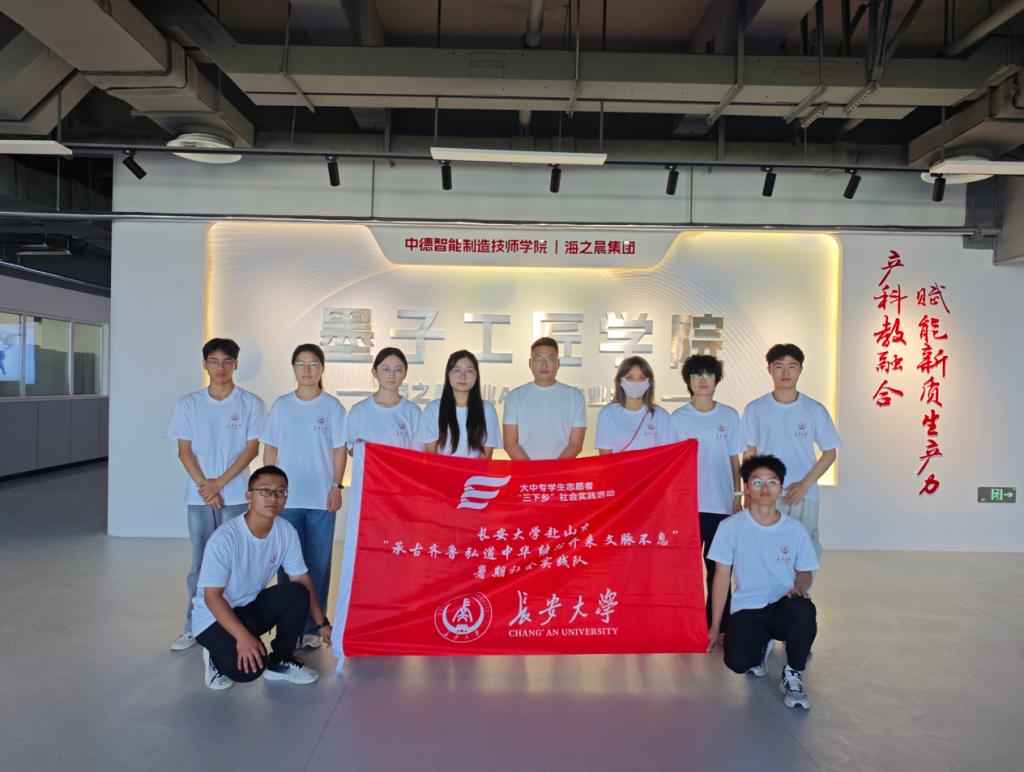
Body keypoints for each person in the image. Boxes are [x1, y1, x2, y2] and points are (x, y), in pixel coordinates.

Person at [166, 337, 266, 652]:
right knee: (201, 562)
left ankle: (235, 627)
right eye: (214, 361)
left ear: (236, 364)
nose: (220, 367)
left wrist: (218, 484)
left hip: (235, 496)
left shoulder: (250, 403)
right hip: (199, 499)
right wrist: (206, 488)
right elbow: (184, 451)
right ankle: (193, 626)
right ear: (205, 364)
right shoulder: (189, 404)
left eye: (226, 361)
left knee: (236, 562)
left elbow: (252, 449)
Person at [192, 465, 332, 690]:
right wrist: (243, 638)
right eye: (265, 491)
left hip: (248, 608)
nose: (273, 497)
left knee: (297, 592)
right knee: (248, 671)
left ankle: (280, 661)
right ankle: (214, 657)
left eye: (280, 492)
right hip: (212, 618)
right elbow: (212, 597)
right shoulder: (225, 539)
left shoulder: (285, 531)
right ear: (249, 496)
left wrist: (322, 624)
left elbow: (301, 580)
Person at [706, 454, 819, 710]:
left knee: (804, 609)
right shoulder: (730, 527)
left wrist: (800, 588)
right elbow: (721, 578)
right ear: (747, 488)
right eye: (757, 482)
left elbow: (805, 571)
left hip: (784, 605)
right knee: (737, 662)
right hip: (748, 609)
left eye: (772, 482)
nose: (765, 488)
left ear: (781, 488)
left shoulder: (795, 530)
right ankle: (760, 648)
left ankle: (793, 672)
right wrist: (715, 626)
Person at [333, 347, 423, 647]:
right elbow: (351, 450)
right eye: (386, 369)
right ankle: (369, 619)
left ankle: (396, 618)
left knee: (399, 558)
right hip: (368, 501)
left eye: (398, 369)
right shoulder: (359, 411)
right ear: (374, 372)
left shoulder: (412, 412)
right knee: (369, 558)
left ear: (405, 374)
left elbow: (417, 458)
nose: (392, 375)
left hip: (401, 501)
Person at [261, 343, 347, 651]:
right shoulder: (282, 405)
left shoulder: (332, 407)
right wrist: (269, 490)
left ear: (322, 368)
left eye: (313, 364)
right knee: (286, 566)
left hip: (321, 500)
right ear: (293, 368)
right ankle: (290, 626)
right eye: (301, 364)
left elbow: (339, 450)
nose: (307, 370)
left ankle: (312, 627)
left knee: (318, 565)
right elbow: (270, 448)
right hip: (287, 501)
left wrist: (336, 486)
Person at [741, 343, 841, 557]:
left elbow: (830, 452)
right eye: (779, 366)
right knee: (766, 550)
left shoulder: (814, 410)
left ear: (800, 370)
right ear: (769, 369)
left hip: (804, 494)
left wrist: (805, 485)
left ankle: (801, 584)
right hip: (766, 493)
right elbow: (749, 453)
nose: (785, 372)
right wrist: (748, 492)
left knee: (804, 550)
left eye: (792, 366)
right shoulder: (755, 409)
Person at [670, 355, 743, 638]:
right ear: (688, 381)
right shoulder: (677, 419)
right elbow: (670, 463)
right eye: (696, 375)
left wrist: (737, 494)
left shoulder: (729, 416)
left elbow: (734, 458)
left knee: (718, 567)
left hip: (721, 504)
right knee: (685, 569)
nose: (702, 380)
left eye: (708, 375)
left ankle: (719, 625)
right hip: (687, 505)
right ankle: (685, 624)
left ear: (716, 380)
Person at [502, 337, 587, 460]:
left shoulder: (575, 397)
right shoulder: (515, 397)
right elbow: (510, 443)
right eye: (538, 359)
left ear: (558, 363)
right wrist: (533, 470)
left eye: (550, 359)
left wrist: (553, 470)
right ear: (530, 363)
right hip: (525, 470)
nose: (544, 365)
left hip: (562, 470)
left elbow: (575, 444)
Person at [417, 349, 502, 458]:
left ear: (476, 375)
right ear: (448, 374)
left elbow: (485, 456)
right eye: (457, 370)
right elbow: (432, 456)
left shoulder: (487, 409)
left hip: (476, 469)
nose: (462, 376)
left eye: (469, 371)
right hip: (441, 469)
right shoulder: (433, 409)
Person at [594, 356, 671, 454]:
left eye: (642, 378)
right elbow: (606, 458)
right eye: (629, 378)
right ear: (620, 381)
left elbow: (668, 454)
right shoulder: (608, 413)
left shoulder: (661, 415)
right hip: (620, 465)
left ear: (649, 382)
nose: (636, 383)